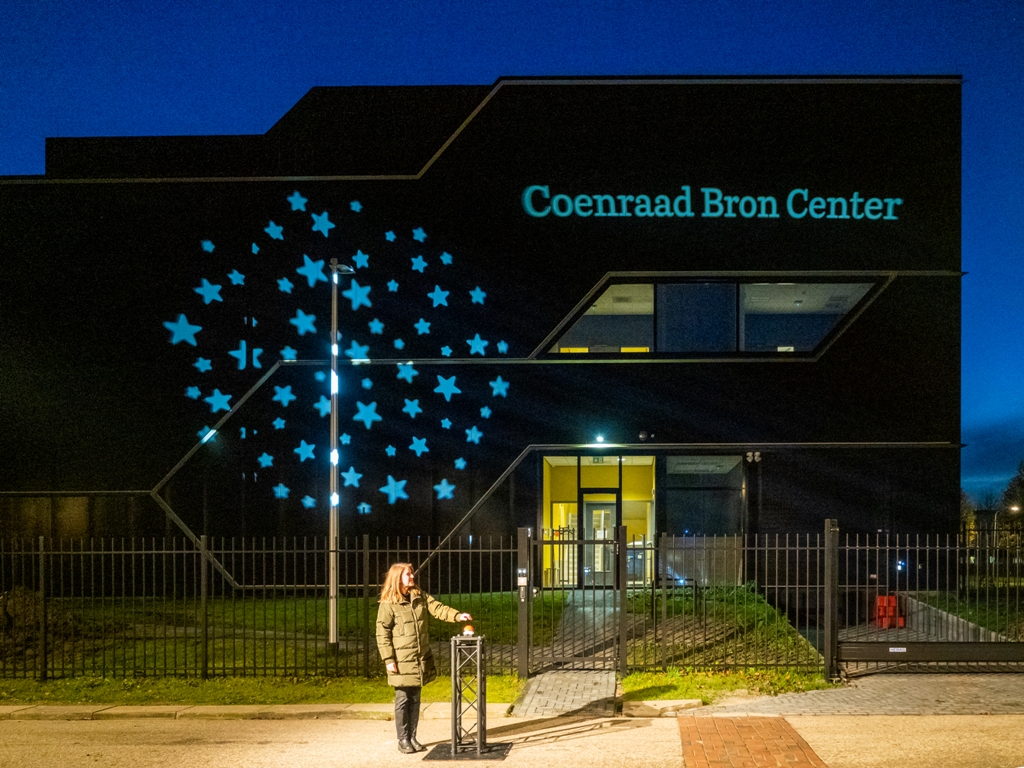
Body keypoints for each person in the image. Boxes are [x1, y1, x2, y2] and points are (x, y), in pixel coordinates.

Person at [376, 562, 472, 754]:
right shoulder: (389, 604)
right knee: (403, 699)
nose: (412, 577)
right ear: (398, 578)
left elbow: (438, 608)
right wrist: (389, 660)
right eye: (408, 575)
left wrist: (457, 616)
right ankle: (402, 740)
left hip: (419, 657)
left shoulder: (419, 596)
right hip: (402, 659)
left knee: (415, 698)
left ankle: (412, 737)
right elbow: (382, 633)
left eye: (411, 574)